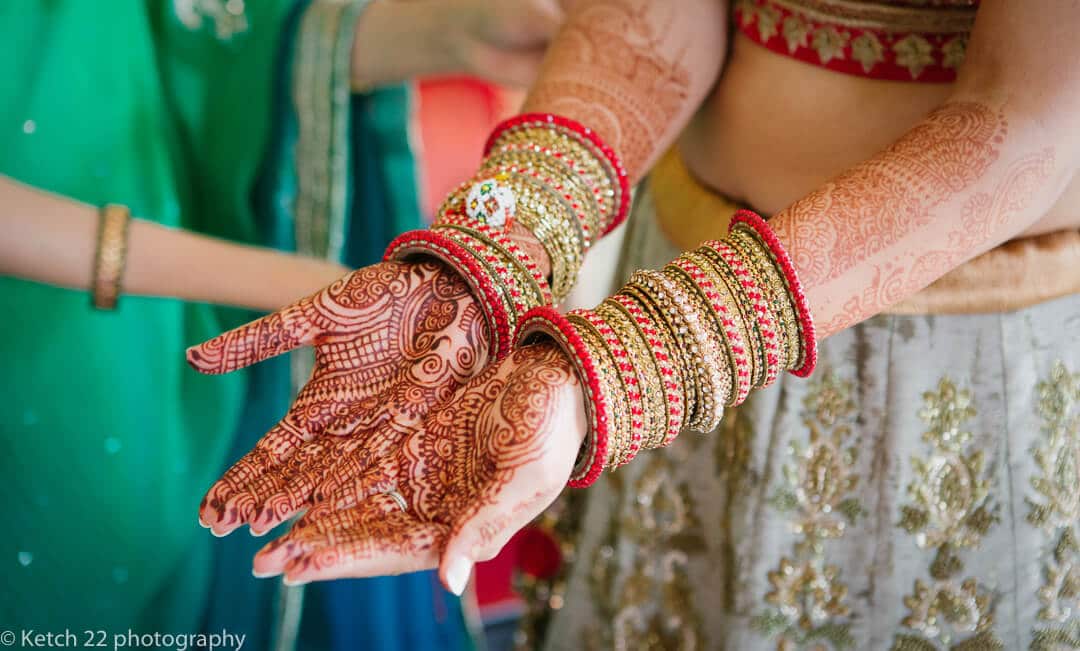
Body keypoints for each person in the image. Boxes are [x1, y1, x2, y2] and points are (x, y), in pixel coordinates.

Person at [188, 1, 1080, 649]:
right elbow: (655, 15)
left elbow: (1031, 121)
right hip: (669, 302)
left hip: (952, 356)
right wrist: (481, 257)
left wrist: (625, 366)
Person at [0, 0, 562, 646]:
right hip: (52, 354)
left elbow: (187, 31)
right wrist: (311, 289)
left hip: (163, 283)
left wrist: (448, 34)